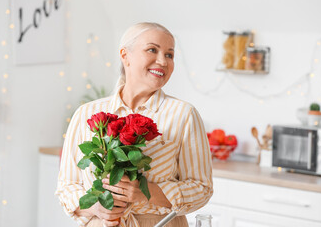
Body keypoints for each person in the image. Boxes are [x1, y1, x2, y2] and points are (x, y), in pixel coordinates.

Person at [56, 22, 213, 227]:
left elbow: (202, 188)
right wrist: (96, 207)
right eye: (152, 50)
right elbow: (67, 186)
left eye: (169, 55)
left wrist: (146, 192)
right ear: (125, 55)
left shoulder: (184, 115)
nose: (162, 61)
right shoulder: (87, 113)